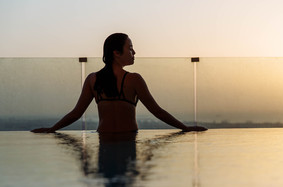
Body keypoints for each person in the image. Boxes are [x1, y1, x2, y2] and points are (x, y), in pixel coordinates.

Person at [31, 33, 207, 133]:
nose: (134, 51)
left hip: (102, 139)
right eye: (130, 48)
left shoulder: (93, 79)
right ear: (116, 52)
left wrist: (52, 129)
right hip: (129, 139)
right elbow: (157, 111)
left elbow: (76, 114)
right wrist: (185, 128)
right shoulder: (134, 79)